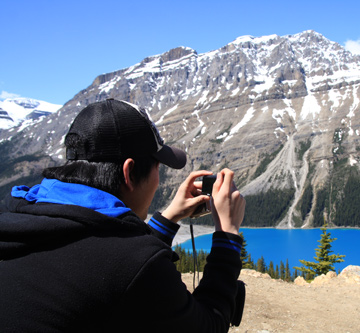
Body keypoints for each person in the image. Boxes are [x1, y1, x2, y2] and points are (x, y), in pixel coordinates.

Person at [0, 99, 246, 332]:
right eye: (158, 167)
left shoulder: (17, 217)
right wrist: (227, 234)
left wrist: (168, 218)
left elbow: (111, 253)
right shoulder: (133, 266)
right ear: (128, 173)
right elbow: (207, 326)